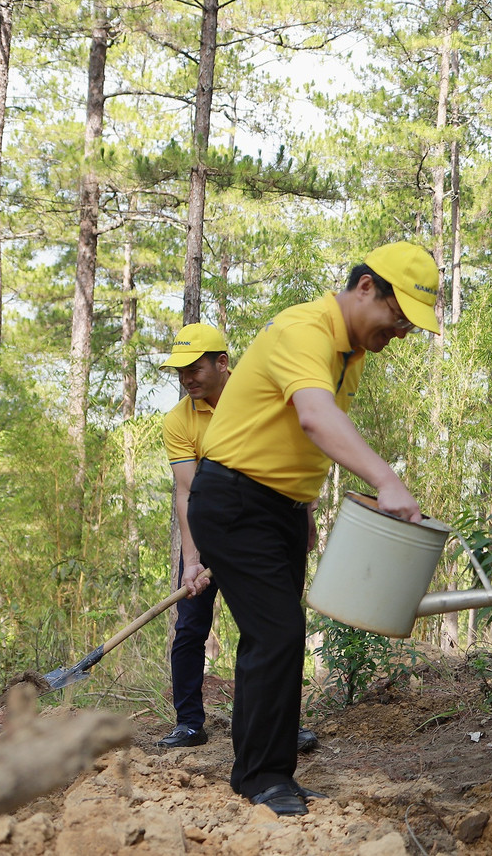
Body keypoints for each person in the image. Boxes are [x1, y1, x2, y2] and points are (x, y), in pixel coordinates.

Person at [187, 242, 439, 816]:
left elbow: (299, 438)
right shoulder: (304, 329)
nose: (400, 331)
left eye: (410, 325)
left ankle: (267, 773)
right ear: (366, 287)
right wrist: (387, 480)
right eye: (398, 315)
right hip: (233, 499)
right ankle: (263, 778)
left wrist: (301, 508)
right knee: (278, 633)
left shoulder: (353, 354)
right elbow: (314, 417)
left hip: (278, 507)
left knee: (274, 636)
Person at [155, 323, 319, 756]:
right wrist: (192, 560)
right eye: (180, 372)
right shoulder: (178, 421)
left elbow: (294, 457)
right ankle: (189, 723)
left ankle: (280, 727)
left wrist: (305, 515)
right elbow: (187, 491)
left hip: (267, 529)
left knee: (276, 628)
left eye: (194, 369)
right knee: (190, 627)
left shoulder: (260, 395)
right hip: (210, 531)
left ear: (222, 363)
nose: (187, 379)